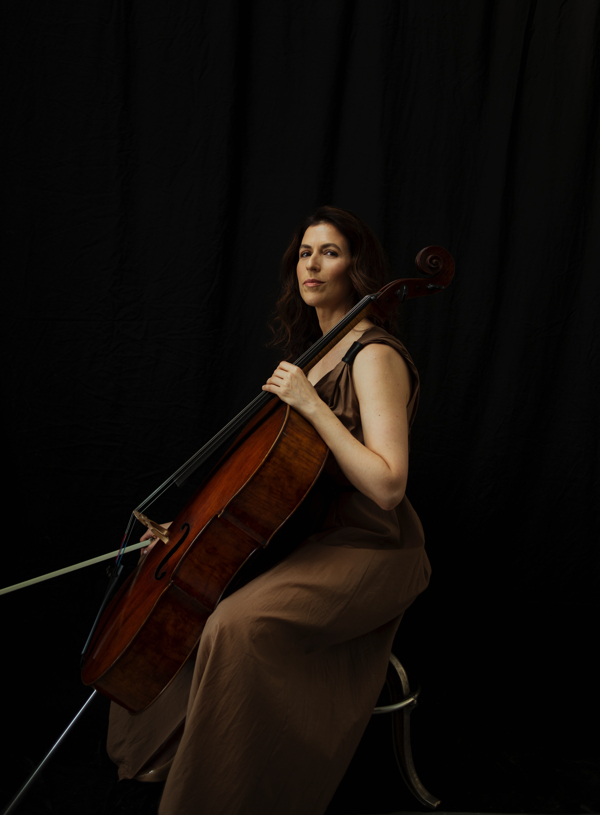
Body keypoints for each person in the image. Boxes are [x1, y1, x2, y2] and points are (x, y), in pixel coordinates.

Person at [107, 206, 431, 815]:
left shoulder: (373, 355)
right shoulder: (315, 355)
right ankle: (168, 758)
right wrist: (191, 533)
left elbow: (387, 485)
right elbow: (273, 486)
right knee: (191, 601)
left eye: (330, 252)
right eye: (305, 252)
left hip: (373, 548)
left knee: (238, 626)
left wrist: (311, 406)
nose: (312, 264)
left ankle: (227, 795)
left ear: (357, 267)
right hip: (313, 539)